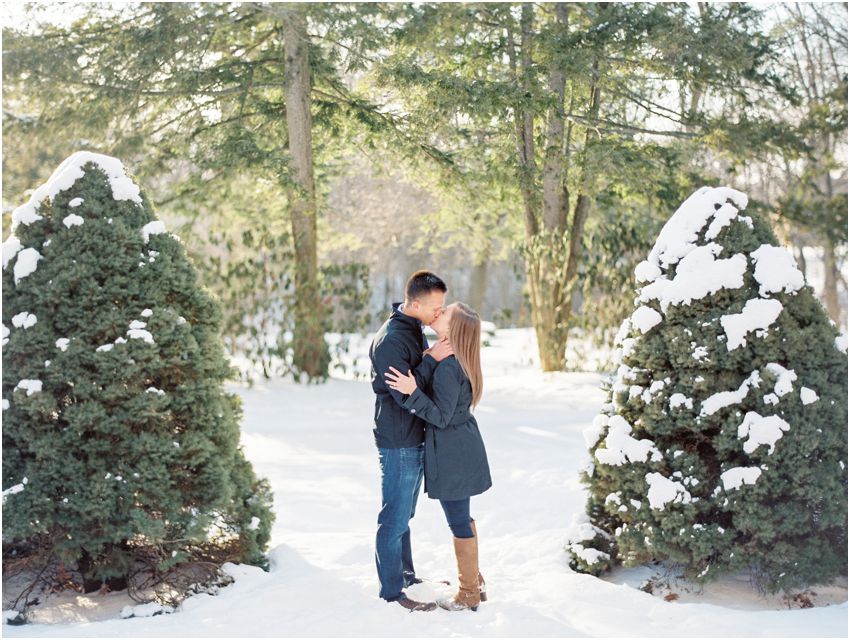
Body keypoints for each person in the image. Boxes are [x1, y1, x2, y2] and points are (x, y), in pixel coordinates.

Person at [385, 301, 491, 612]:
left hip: (453, 452)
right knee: (460, 516)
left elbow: (441, 417)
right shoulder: (457, 359)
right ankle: (476, 581)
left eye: (445, 313)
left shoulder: (449, 367)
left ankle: (469, 593)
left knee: (457, 520)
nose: (438, 313)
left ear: (453, 329)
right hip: (461, 446)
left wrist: (410, 389)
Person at [369, 270, 454, 612]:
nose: (439, 313)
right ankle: (392, 592)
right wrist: (431, 359)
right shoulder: (392, 338)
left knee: (405, 513)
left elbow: (412, 379)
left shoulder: (412, 327)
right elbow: (402, 391)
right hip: (398, 438)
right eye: (436, 307)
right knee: (394, 516)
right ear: (415, 303)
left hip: (411, 433)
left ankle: (406, 575)